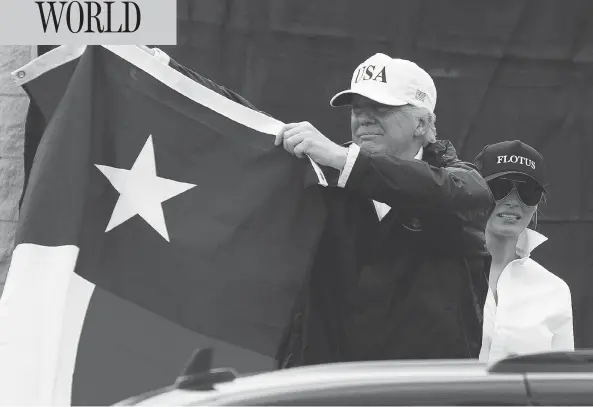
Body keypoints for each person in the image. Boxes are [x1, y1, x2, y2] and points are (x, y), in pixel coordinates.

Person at [274, 53, 495, 366]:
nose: (363, 118)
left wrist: (342, 160)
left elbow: (443, 192)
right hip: (328, 391)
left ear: (422, 122)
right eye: (357, 109)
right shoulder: (325, 185)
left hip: (422, 395)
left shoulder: (462, 185)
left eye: (380, 108)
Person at [473, 140, 574, 363]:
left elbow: (559, 384)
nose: (513, 201)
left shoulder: (554, 290)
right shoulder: (442, 272)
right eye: (500, 187)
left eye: (528, 192)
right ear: (474, 190)